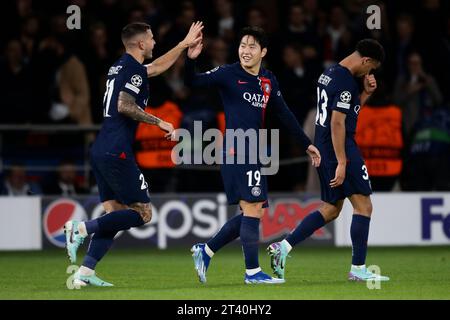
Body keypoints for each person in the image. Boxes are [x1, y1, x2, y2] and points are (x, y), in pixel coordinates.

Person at [64, 21, 203, 287]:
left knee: (114, 215)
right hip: (117, 150)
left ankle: (85, 273)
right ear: (141, 43)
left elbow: (157, 67)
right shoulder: (134, 71)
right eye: (151, 39)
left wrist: (183, 45)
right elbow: (125, 105)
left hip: (101, 147)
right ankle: (79, 229)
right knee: (143, 214)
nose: (153, 42)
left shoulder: (121, 66)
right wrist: (158, 121)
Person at [186, 26, 321, 284]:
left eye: (251, 47)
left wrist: (307, 143)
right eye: (242, 45)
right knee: (252, 207)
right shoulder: (228, 73)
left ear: (263, 52)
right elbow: (193, 82)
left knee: (254, 211)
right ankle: (252, 273)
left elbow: (284, 114)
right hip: (236, 148)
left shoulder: (269, 80)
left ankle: (207, 251)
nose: (245, 51)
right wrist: (190, 60)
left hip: (254, 150)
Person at [268, 39, 390, 282]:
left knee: (332, 209)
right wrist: (343, 162)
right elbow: (337, 123)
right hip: (340, 147)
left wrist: (365, 93)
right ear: (365, 60)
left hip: (325, 147)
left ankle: (283, 247)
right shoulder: (346, 82)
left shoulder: (330, 73)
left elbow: (346, 114)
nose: (369, 73)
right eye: (371, 68)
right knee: (364, 206)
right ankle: (358, 269)